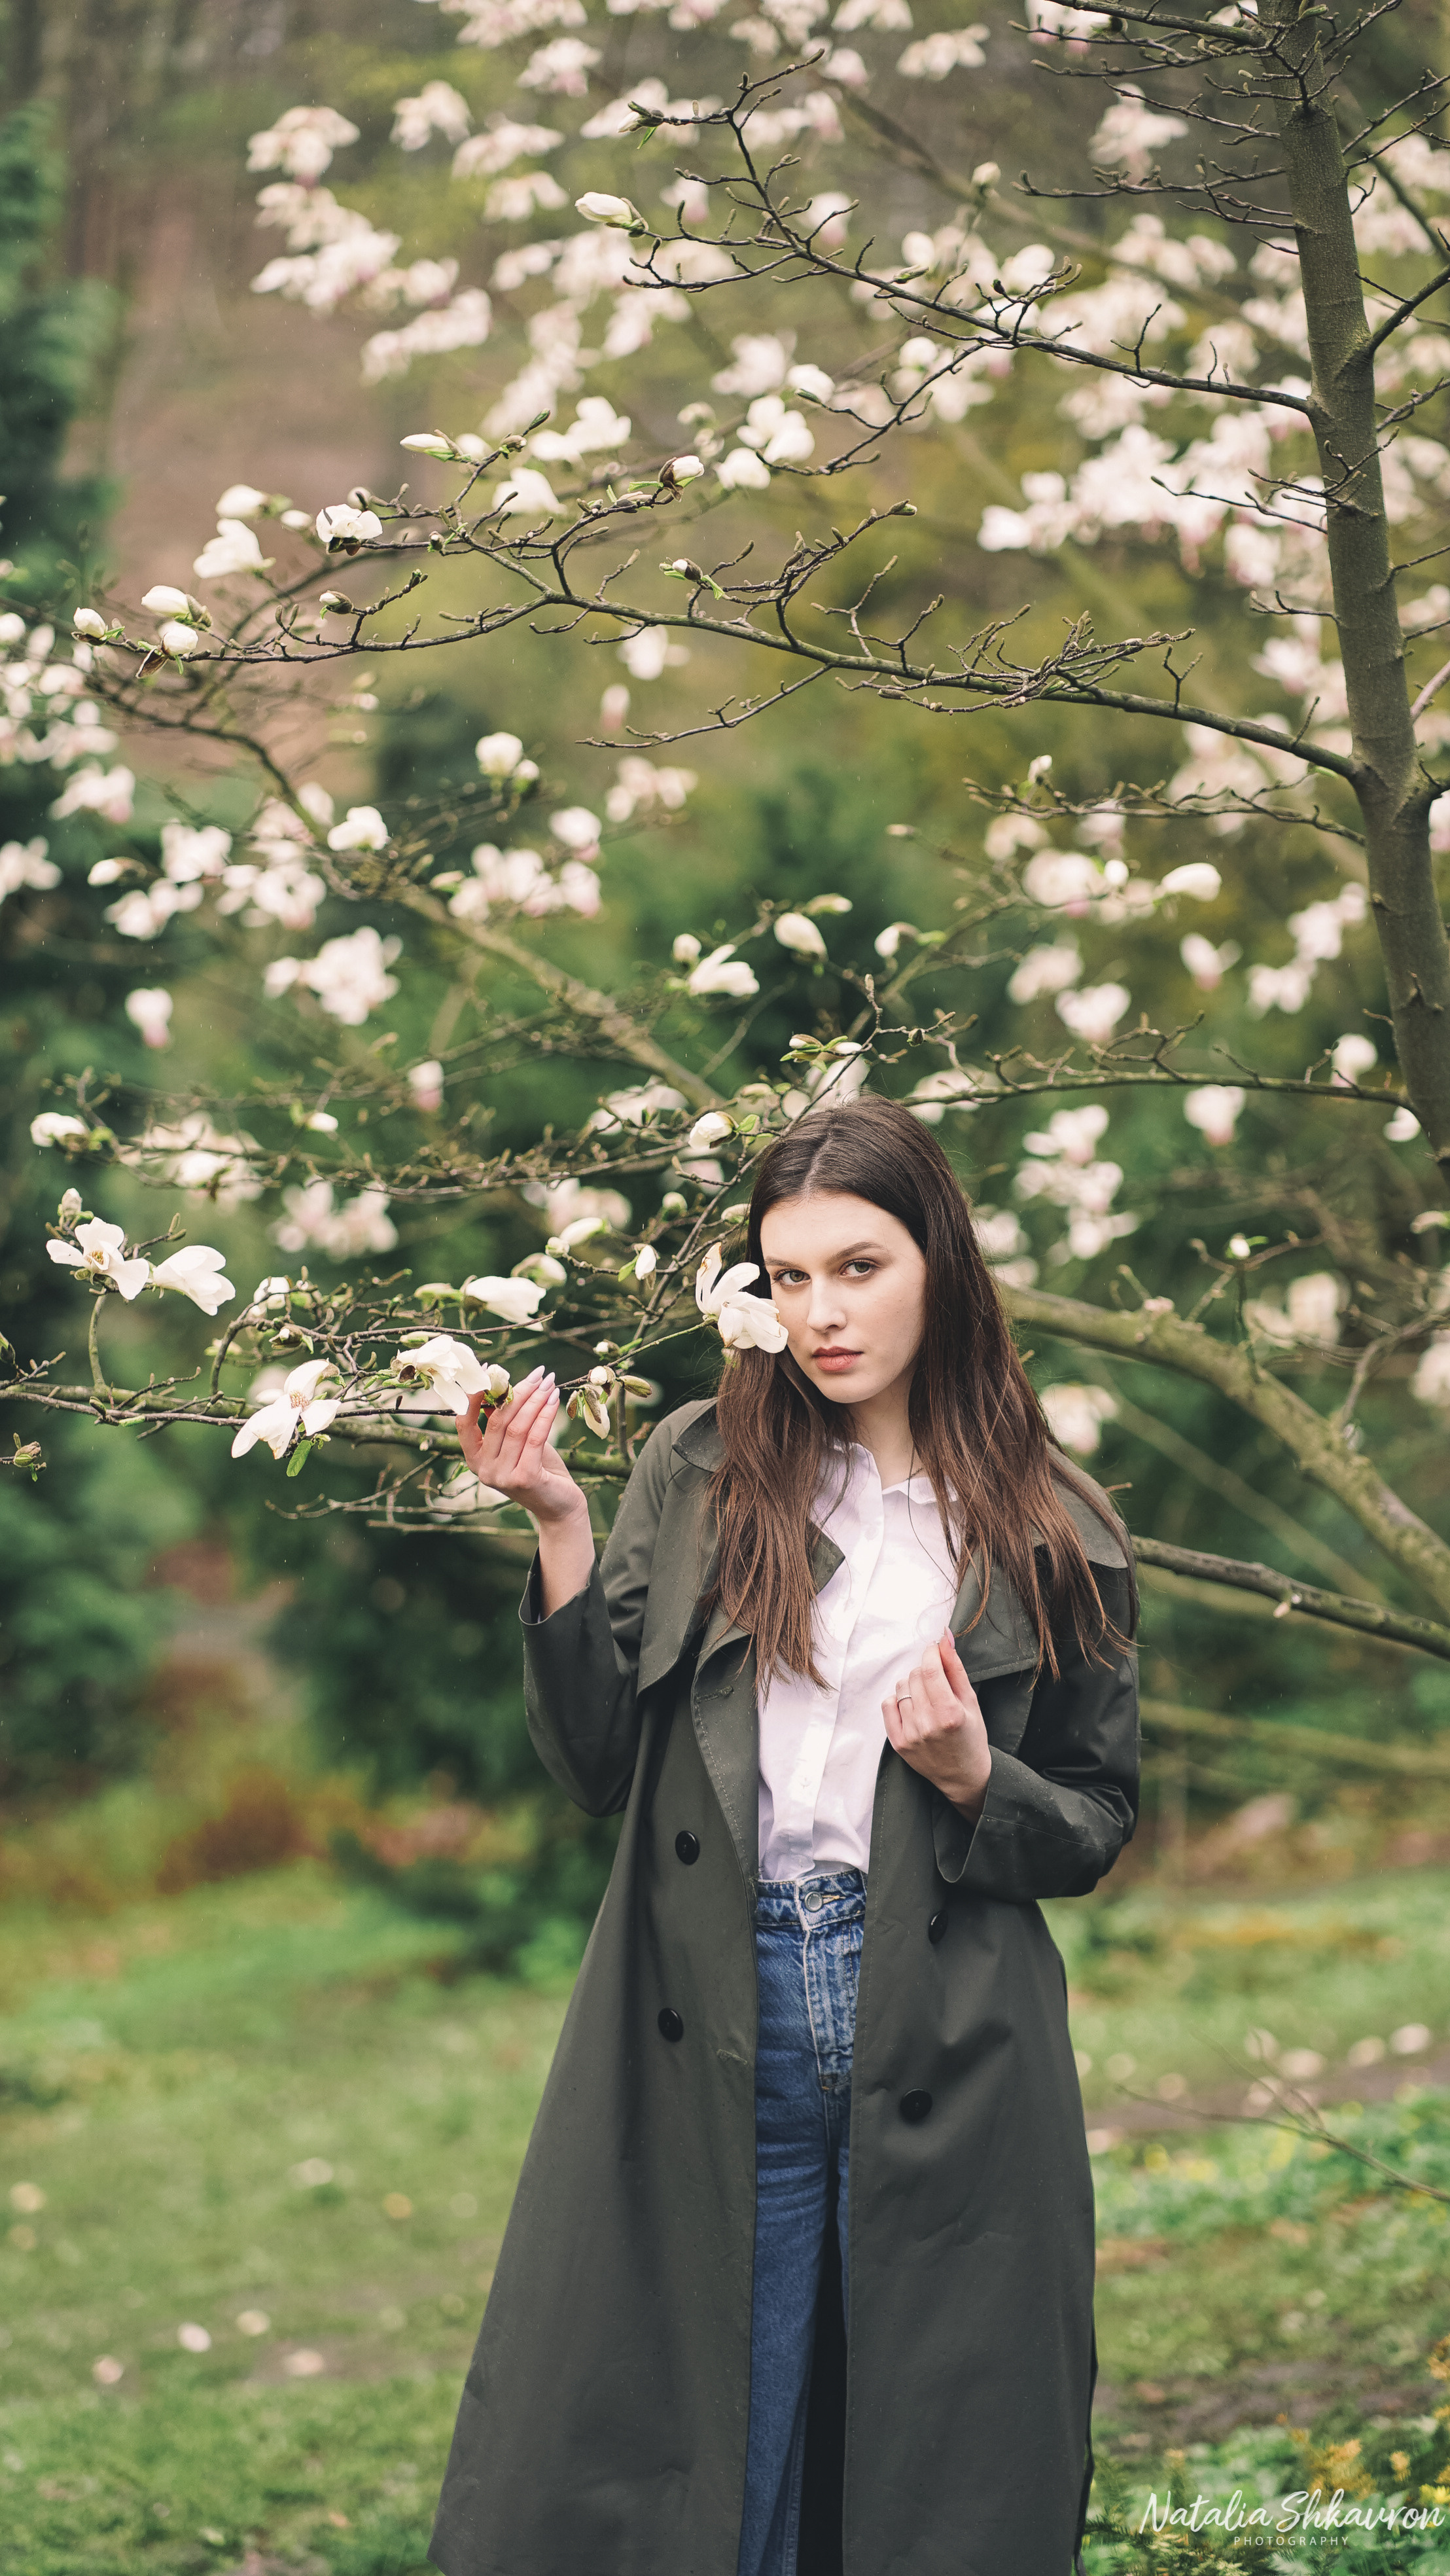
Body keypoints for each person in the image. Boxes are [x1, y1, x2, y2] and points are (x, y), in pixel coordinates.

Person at [429, 1095, 1139, 2576]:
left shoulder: (1052, 1526)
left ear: (941, 1262)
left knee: (921, 2459)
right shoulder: (702, 1468)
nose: (822, 1314)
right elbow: (594, 1762)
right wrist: (559, 1523)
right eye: (790, 1276)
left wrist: (972, 1776)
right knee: (709, 2443)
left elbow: (1091, 1822)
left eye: (860, 1268)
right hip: (712, 1997)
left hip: (942, 2019)